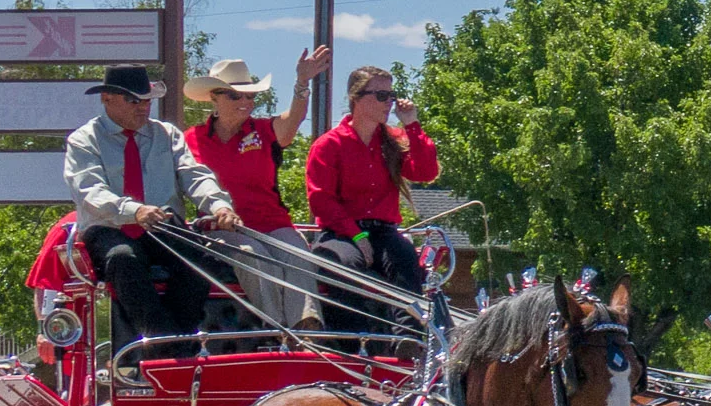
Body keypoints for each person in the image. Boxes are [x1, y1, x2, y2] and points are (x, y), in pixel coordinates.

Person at [60, 63, 241, 340]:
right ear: (106, 99)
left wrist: (219, 206)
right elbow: (91, 191)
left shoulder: (166, 135)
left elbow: (194, 175)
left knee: (202, 258)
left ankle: (175, 342)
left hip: (163, 225)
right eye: (134, 100)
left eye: (147, 101)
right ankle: (165, 343)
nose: (143, 107)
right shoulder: (84, 140)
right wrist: (135, 210)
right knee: (123, 258)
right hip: (110, 228)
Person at [180, 48, 328, 333]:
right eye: (236, 95)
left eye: (251, 95)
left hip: (273, 225)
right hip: (221, 228)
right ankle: (279, 330)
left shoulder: (263, 131)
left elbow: (292, 120)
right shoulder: (191, 139)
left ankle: (306, 329)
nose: (245, 101)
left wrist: (302, 84)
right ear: (215, 97)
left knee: (299, 256)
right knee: (252, 254)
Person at [304, 65, 440, 338]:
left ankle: (407, 339)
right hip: (340, 232)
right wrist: (357, 235)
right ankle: (351, 342)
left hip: (382, 232)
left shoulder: (393, 140)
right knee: (345, 265)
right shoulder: (329, 144)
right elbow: (321, 200)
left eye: (391, 94)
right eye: (381, 95)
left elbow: (426, 172)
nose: (389, 102)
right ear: (356, 98)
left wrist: (412, 125)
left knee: (404, 259)